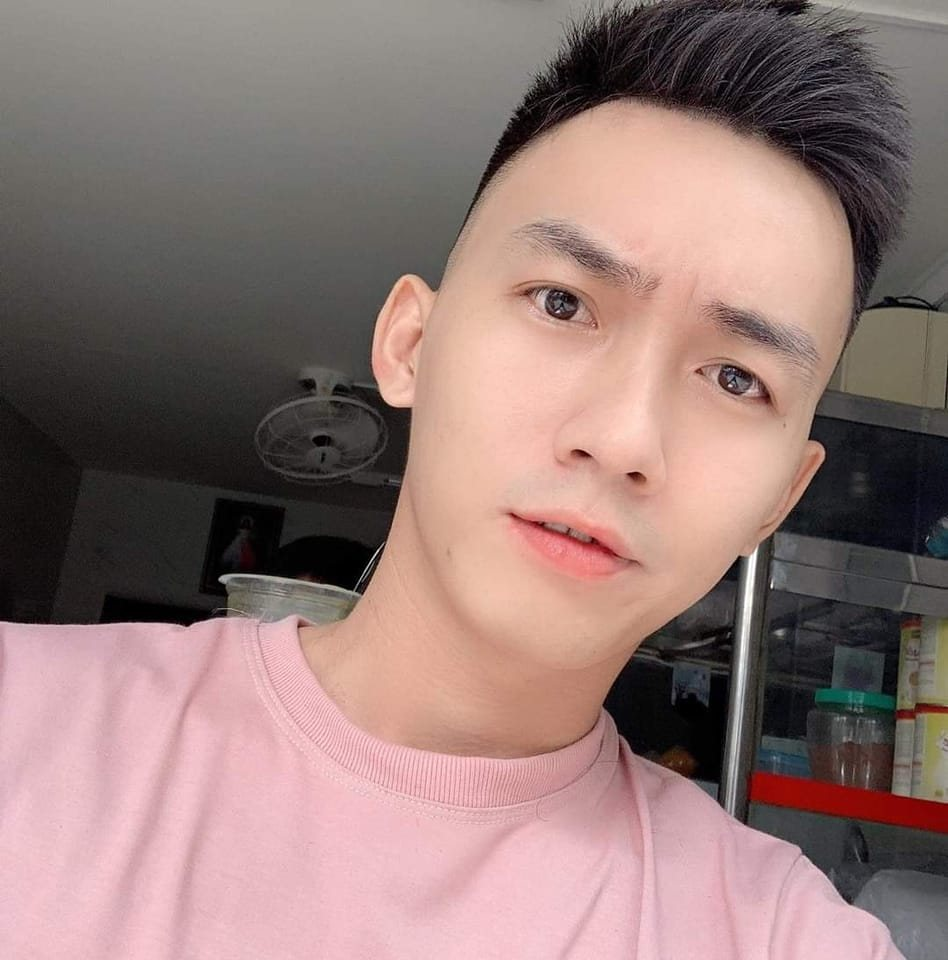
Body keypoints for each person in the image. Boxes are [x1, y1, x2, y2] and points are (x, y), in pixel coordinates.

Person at [0, 2, 912, 957]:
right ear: (411, 344)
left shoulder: (785, 938)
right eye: (562, 302)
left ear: (780, 499)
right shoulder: (27, 723)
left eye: (735, 379)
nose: (622, 438)